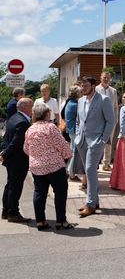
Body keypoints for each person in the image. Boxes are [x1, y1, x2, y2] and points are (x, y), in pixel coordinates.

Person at [23, 102, 73, 230]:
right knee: (60, 193)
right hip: (54, 166)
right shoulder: (50, 127)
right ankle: (61, 221)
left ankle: (40, 221)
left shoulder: (30, 129)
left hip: (37, 167)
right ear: (46, 114)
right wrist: (68, 156)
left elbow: (26, 149)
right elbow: (62, 145)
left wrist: (36, 157)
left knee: (39, 192)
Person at [75, 76, 115, 217]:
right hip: (82, 140)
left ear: (93, 86)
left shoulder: (104, 100)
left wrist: (102, 140)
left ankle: (90, 204)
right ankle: (95, 201)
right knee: (88, 172)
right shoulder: (80, 101)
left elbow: (111, 121)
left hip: (96, 141)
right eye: (81, 85)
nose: (83, 88)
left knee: (91, 169)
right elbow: (79, 120)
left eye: (85, 85)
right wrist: (77, 136)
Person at [0, 98, 33, 222]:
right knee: (15, 187)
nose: (33, 108)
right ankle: (13, 213)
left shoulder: (13, 118)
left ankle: (6, 211)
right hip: (18, 160)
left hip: (11, 159)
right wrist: (4, 154)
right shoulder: (23, 122)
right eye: (31, 105)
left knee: (10, 185)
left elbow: (5, 138)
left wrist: (4, 152)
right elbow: (16, 143)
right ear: (24, 107)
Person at [96, 71, 119, 171]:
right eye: (104, 77)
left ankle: (106, 163)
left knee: (108, 142)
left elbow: (115, 106)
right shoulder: (95, 89)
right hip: (98, 120)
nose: (106, 79)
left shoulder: (113, 91)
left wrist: (116, 119)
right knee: (97, 141)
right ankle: (96, 162)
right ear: (100, 78)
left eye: (108, 78)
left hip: (110, 120)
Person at [64, 86, 83, 182]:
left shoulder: (70, 103)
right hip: (74, 130)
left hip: (71, 130)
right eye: (80, 92)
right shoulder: (75, 104)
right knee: (75, 151)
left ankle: (68, 170)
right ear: (76, 93)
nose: (82, 93)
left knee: (72, 150)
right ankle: (71, 173)